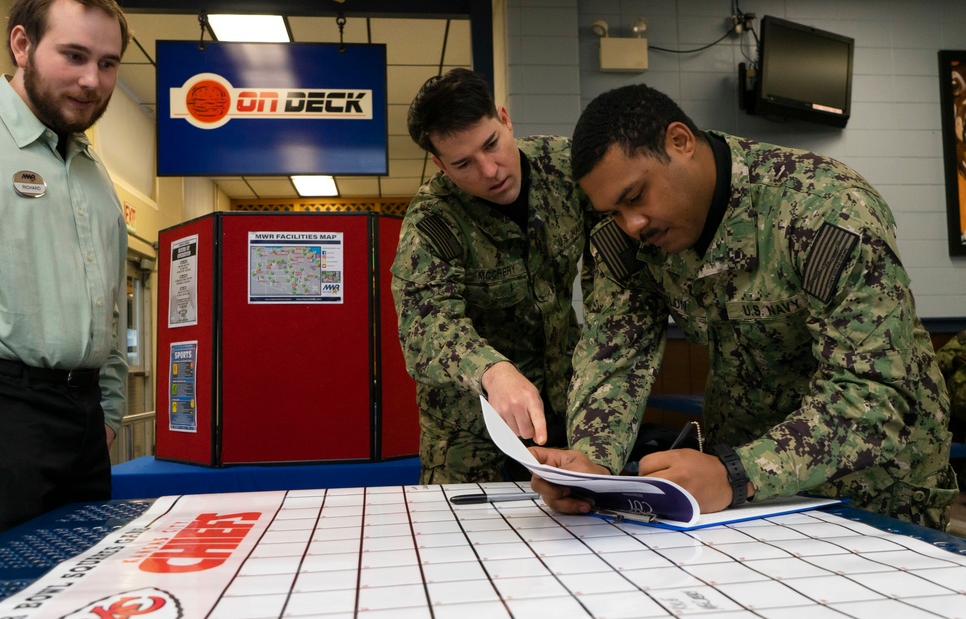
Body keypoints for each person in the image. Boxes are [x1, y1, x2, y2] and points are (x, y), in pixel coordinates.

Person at [530, 84, 959, 530]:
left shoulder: (823, 211)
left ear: (680, 142)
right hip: (740, 487)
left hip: (874, 485)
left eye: (636, 197)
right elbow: (614, 355)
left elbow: (876, 396)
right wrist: (591, 466)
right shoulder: (629, 238)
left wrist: (738, 473)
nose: (630, 224)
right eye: (613, 211)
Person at [0, 0, 130, 546]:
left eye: (107, 64)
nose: (92, 80)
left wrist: (107, 415)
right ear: (22, 44)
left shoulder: (89, 170)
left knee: (79, 584)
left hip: (83, 422)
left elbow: (109, 305)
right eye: (75, 55)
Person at [391, 68, 597, 483]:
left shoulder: (565, 169)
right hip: (468, 431)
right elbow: (425, 325)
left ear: (505, 119)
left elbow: (610, 268)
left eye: (492, 144)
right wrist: (492, 371)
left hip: (561, 406)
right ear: (440, 164)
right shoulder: (433, 220)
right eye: (464, 163)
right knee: (463, 543)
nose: (490, 171)